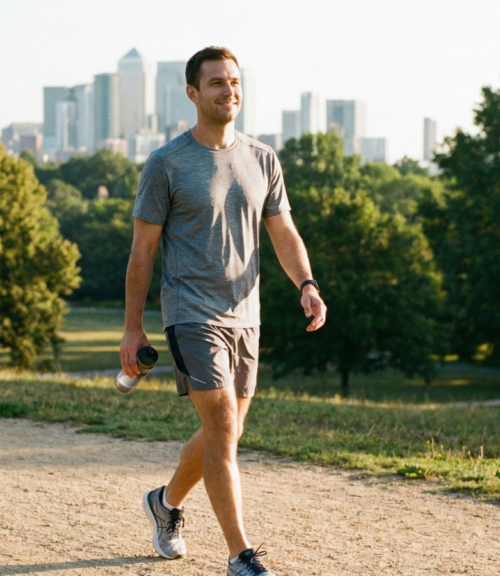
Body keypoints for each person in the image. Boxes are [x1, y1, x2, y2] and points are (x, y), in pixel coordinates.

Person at [120, 46, 327, 576]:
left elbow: (283, 232)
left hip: (246, 314)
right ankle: (241, 556)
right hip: (190, 311)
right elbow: (143, 251)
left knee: (225, 433)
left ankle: (164, 504)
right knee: (221, 421)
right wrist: (132, 329)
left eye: (234, 82)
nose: (227, 91)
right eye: (215, 83)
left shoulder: (263, 159)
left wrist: (305, 283)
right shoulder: (166, 163)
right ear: (192, 93)